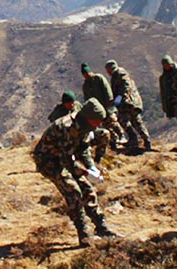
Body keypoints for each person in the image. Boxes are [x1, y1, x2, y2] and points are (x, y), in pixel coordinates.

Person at [33, 98, 121, 246]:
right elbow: (66, 159)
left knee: (87, 190)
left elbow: (83, 148)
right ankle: (83, 234)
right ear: (88, 117)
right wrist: (86, 173)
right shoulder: (67, 127)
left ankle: (101, 226)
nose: (99, 124)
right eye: (97, 121)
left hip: (65, 158)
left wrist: (91, 166)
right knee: (73, 192)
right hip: (49, 161)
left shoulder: (85, 125)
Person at [105, 60, 152, 151]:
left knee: (131, 121)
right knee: (134, 121)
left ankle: (138, 139)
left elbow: (126, 86)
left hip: (129, 102)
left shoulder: (119, 73)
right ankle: (142, 140)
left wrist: (119, 98)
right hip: (127, 102)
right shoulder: (116, 75)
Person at [81, 62, 125, 157]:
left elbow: (107, 90)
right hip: (96, 111)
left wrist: (110, 103)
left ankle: (121, 135)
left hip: (106, 106)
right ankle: (113, 143)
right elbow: (87, 100)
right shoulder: (85, 86)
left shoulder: (98, 78)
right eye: (84, 74)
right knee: (105, 127)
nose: (86, 75)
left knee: (111, 122)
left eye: (86, 73)